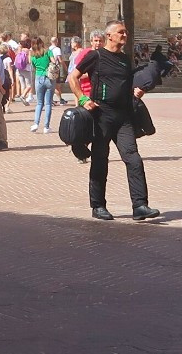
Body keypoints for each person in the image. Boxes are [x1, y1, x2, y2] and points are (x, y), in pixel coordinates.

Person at [68, 21, 161, 222]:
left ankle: (140, 205)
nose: (124, 35)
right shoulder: (96, 55)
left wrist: (137, 91)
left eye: (125, 32)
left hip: (123, 116)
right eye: (121, 32)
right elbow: (72, 77)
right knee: (100, 160)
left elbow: (127, 85)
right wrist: (83, 99)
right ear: (109, 35)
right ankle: (98, 206)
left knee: (133, 158)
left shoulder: (126, 60)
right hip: (102, 115)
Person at [29, 38, 57, 134]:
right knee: (48, 103)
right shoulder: (48, 52)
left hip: (39, 78)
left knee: (39, 103)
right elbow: (54, 62)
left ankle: (36, 123)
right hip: (49, 78)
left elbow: (33, 67)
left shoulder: (33, 55)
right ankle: (46, 127)